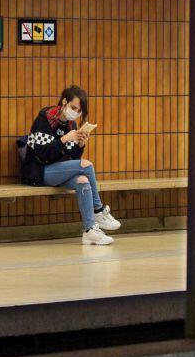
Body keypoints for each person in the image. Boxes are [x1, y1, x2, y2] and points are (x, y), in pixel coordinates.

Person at [21, 85, 121, 245]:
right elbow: (41, 154)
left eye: (79, 111)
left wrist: (80, 145)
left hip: (58, 171)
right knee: (86, 165)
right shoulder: (44, 119)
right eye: (73, 107)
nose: (75, 112)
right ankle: (98, 210)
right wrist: (63, 139)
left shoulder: (70, 125)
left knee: (83, 180)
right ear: (64, 102)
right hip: (38, 171)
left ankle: (90, 231)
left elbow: (72, 156)